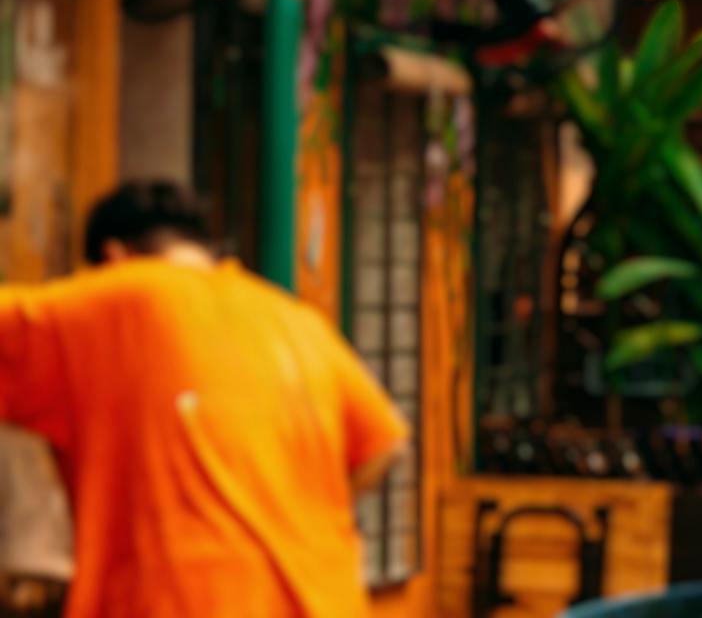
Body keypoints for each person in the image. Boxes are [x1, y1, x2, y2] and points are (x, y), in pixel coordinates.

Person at [0, 182, 409, 617]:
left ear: (114, 255)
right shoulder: (296, 321)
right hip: (324, 599)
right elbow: (384, 444)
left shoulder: (120, 298)